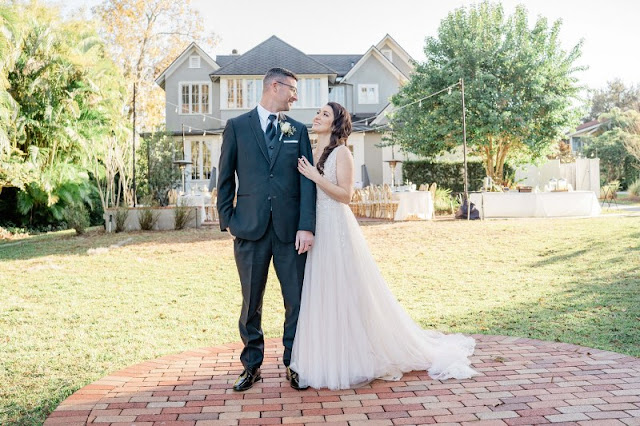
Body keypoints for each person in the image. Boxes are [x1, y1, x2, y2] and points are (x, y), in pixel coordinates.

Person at [292, 102, 478, 390]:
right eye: (317, 111)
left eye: (325, 114)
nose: (317, 116)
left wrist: (316, 177)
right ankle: (326, 353)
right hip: (316, 227)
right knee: (322, 289)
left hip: (336, 227)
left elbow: (346, 196)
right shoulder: (310, 152)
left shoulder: (342, 153)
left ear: (336, 124)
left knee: (346, 289)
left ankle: (355, 354)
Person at [217, 68, 316, 392]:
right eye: (293, 90)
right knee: (251, 303)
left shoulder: (297, 131)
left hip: (291, 234)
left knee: (296, 301)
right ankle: (251, 366)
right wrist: (228, 220)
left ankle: (294, 363)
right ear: (275, 86)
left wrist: (306, 226)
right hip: (249, 230)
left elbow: (306, 183)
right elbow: (225, 178)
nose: (296, 96)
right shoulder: (237, 127)